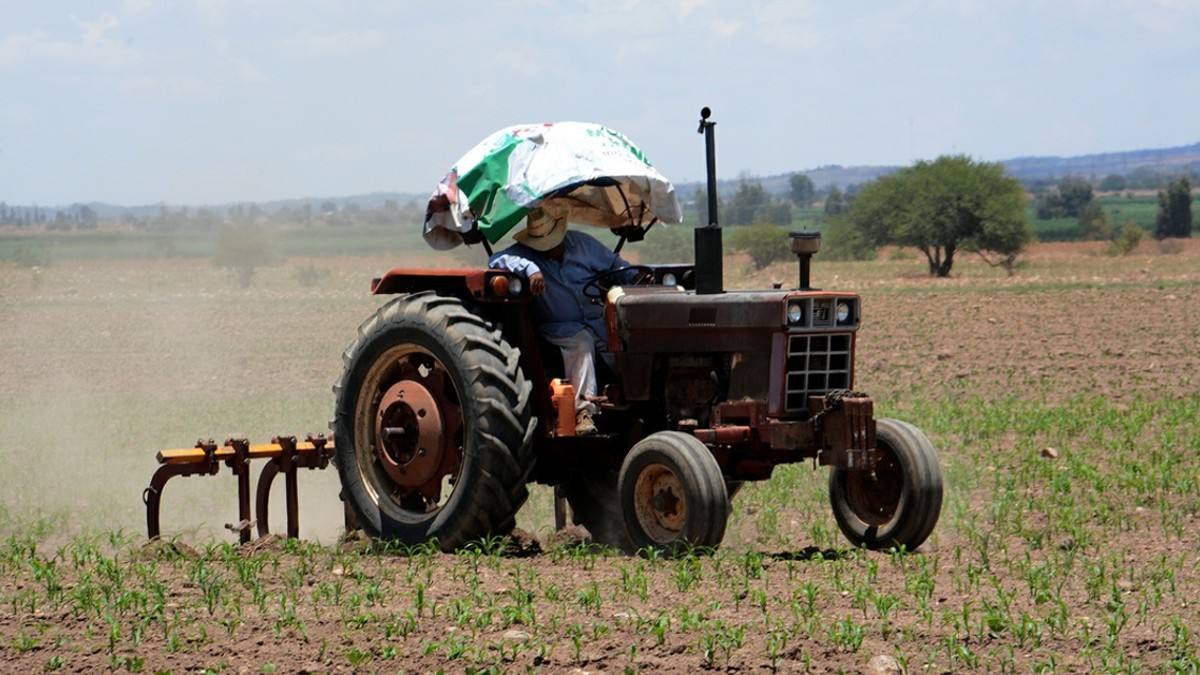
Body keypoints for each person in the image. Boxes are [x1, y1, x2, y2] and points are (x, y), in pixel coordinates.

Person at [489, 209, 632, 436]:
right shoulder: (526, 255)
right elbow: (495, 259)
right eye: (542, 246)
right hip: (559, 327)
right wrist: (530, 268)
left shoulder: (583, 245)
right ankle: (583, 413)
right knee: (581, 343)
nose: (547, 250)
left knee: (626, 342)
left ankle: (634, 402)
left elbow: (616, 265)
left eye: (552, 244)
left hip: (597, 322)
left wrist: (636, 278)